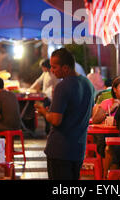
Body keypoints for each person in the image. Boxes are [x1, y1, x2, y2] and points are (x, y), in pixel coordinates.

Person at [34, 48, 95, 180]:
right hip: (78, 149)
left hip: (60, 150)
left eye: (54, 67)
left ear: (66, 68)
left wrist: (44, 111)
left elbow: (56, 120)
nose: (52, 70)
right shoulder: (88, 84)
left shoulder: (63, 86)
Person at [29, 59, 60, 134]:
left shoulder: (54, 75)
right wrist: (30, 89)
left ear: (47, 67)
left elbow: (56, 87)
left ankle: (49, 130)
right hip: (45, 97)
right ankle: (47, 130)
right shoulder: (45, 73)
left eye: (43, 67)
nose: (42, 69)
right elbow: (38, 81)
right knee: (45, 113)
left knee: (48, 114)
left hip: (51, 98)